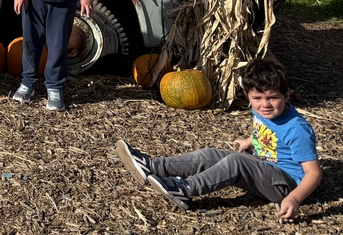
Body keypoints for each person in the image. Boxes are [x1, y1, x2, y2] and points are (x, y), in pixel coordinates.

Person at [116, 59, 321, 219]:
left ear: (287, 95)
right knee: (212, 155)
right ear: (248, 95)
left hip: (285, 185)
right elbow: (268, 133)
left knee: (235, 162)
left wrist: (294, 198)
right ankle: (154, 166)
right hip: (266, 167)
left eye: (272, 98)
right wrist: (249, 142)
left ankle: (185, 189)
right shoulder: (263, 112)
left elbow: (313, 173)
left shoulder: (297, 129)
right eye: (257, 99)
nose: (264, 104)